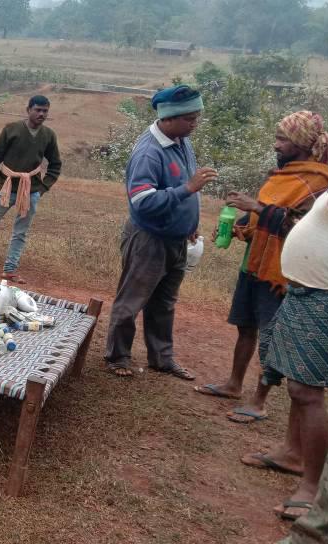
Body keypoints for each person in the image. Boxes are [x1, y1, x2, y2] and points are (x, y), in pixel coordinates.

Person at [194, 111, 328, 425]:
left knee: (272, 335)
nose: (276, 144)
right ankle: (233, 384)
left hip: (281, 272)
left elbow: (299, 226)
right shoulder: (283, 174)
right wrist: (241, 226)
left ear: (301, 143)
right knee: (246, 326)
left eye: (283, 139)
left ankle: (259, 401)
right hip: (256, 262)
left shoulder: (319, 183)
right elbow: (264, 214)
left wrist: (257, 207)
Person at [239, 172, 328, 523]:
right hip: (307, 293)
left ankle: (312, 489)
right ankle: (292, 453)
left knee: (307, 391)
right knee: (298, 384)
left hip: (326, 299)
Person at [103, 85, 216, 379]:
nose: (195, 123)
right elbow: (142, 201)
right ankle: (118, 357)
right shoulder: (149, 153)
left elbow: (181, 190)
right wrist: (188, 188)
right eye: (189, 118)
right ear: (168, 117)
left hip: (176, 239)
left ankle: (162, 358)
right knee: (132, 300)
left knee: (164, 303)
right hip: (149, 239)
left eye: (196, 117)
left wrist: (190, 223)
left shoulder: (181, 141)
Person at [0, 95, 62, 283]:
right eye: (37, 110)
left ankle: (10, 270)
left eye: (45, 111)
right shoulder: (11, 129)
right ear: (28, 110)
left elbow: (55, 165)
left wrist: (41, 188)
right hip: (5, 190)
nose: (41, 114)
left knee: (20, 233)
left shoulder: (48, 135)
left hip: (30, 192)